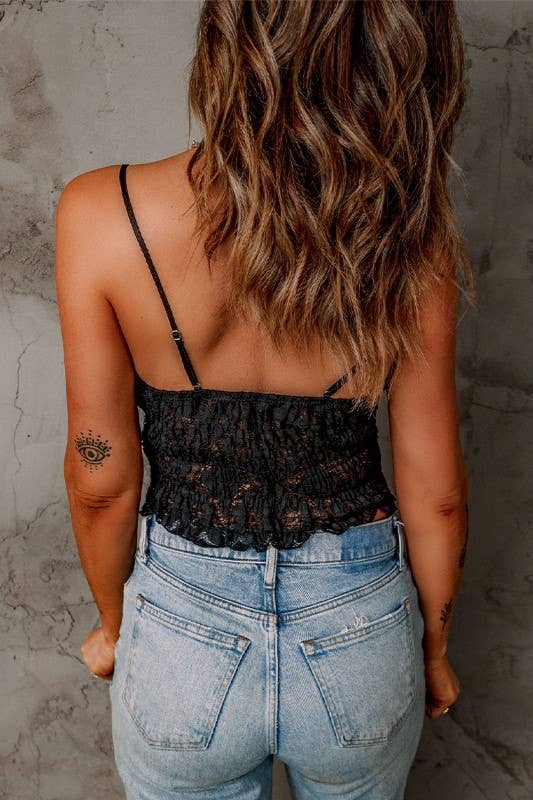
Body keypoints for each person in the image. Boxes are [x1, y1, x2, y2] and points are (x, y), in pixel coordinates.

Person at [55, 1, 474, 797]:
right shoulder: (409, 242)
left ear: (231, 41)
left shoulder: (100, 216)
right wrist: (430, 648)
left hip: (181, 636)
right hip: (360, 639)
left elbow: (100, 481)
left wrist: (119, 629)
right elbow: (438, 495)